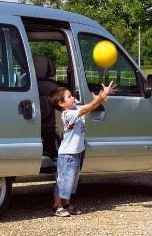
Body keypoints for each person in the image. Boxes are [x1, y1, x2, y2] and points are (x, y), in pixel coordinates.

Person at [48, 81, 115, 217]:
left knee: (71, 180)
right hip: (67, 154)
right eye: (69, 96)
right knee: (63, 180)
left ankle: (66, 204)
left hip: (76, 152)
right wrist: (99, 99)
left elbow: (89, 107)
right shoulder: (68, 114)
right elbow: (86, 109)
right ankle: (56, 206)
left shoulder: (74, 110)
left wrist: (101, 96)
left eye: (72, 95)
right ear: (61, 103)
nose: (73, 97)